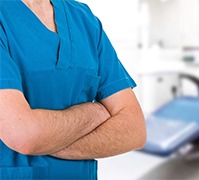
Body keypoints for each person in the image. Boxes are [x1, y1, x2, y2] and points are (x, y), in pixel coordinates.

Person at [0, 0, 146, 179]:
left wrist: (44, 139)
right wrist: (94, 113)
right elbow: (22, 134)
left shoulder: (84, 19)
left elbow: (135, 130)